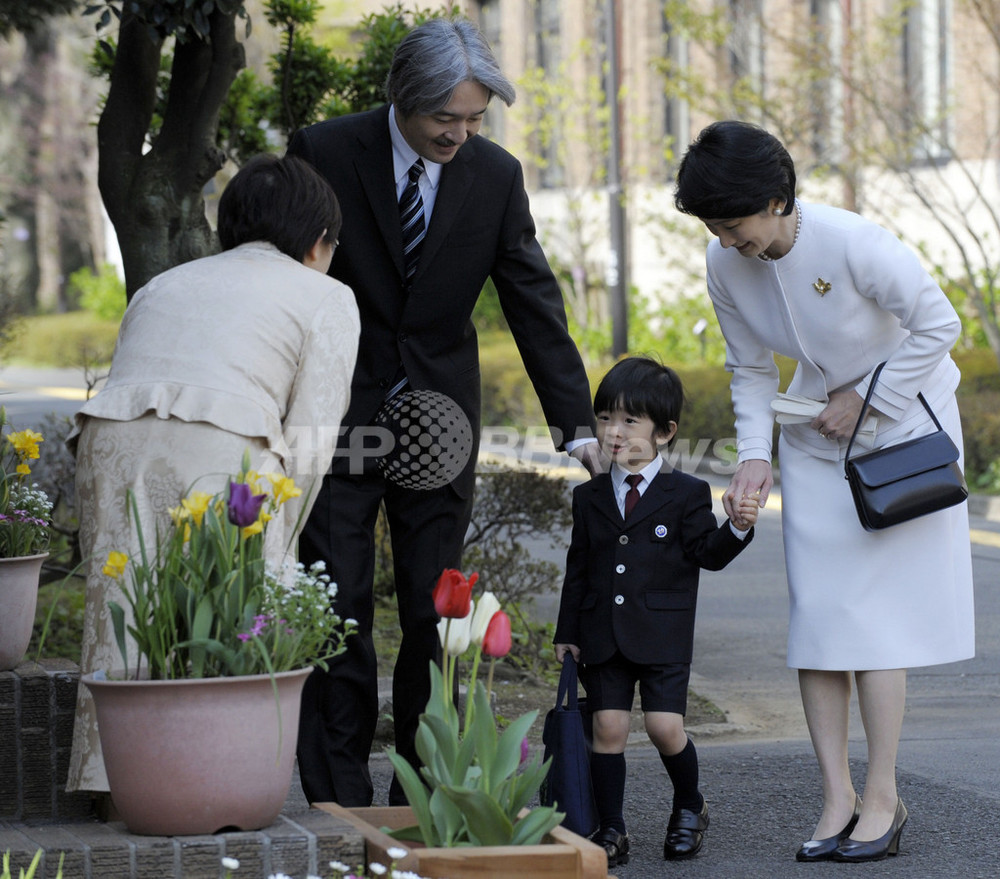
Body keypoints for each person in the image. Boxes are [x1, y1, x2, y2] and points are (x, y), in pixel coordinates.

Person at [286, 18, 602, 808]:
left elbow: (532, 297)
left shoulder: (495, 175)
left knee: (438, 610)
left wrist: (579, 425)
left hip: (438, 424)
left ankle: (420, 790)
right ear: (401, 99)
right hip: (340, 413)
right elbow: (288, 282)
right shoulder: (324, 152)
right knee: (340, 601)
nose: (460, 135)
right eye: (445, 120)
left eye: (475, 120)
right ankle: (338, 793)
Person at [674, 120, 976, 862]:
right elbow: (748, 368)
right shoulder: (724, 262)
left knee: (877, 623)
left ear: (777, 200)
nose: (724, 238)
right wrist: (751, 457)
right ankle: (836, 793)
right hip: (813, 434)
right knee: (821, 617)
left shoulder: (854, 242)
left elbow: (940, 324)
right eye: (712, 225)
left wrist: (869, 400)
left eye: (732, 222)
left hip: (901, 430)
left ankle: (883, 795)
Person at [65, 154, 360, 796]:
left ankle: (118, 789)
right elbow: (310, 443)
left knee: (124, 607)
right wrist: (283, 545)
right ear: (319, 241)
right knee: (235, 613)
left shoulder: (165, 283)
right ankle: (217, 789)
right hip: (226, 444)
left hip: (107, 439)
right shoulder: (327, 296)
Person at [553, 356, 758, 866]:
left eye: (629, 420)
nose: (613, 432)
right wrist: (567, 630)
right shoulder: (589, 496)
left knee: (666, 727)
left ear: (664, 432)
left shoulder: (686, 494)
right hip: (602, 633)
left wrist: (735, 528)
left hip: (663, 635)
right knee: (608, 729)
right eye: (604, 418)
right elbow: (578, 566)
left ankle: (690, 806)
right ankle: (612, 827)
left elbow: (706, 556)